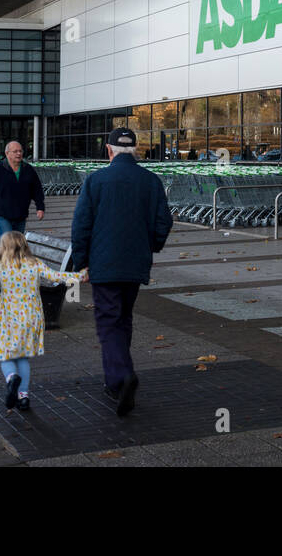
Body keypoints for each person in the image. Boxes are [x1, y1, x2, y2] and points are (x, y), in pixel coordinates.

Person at [70, 127, 172, 416]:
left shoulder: (96, 181)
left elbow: (81, 225)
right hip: (135, 264)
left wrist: (81, 262)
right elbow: (164, 222)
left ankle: (122, 375)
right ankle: (115, 381)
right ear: (135, 150)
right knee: (123, 318)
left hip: (103, 265)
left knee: (108, 321)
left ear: (109, 150)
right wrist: (149, 245)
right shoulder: (151, 181)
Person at [0, 231, 87, 411]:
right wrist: (80, 276)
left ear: (3, 248)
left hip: (8, 319)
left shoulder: (1, 266)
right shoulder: (35, 264)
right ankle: (24, 397)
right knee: (23, 358)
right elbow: (57, 277)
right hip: (31, 317)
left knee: (5, 355)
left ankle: (11, 378)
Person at [0, 141, 46, 236]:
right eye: (15, 151)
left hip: (21, 215)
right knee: (8, 243)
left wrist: (40, 208)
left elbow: (37, 190)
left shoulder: (28, 169)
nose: (19, 154)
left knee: (17, 245)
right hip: (3, 215)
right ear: (7, 153)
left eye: (20, 151)